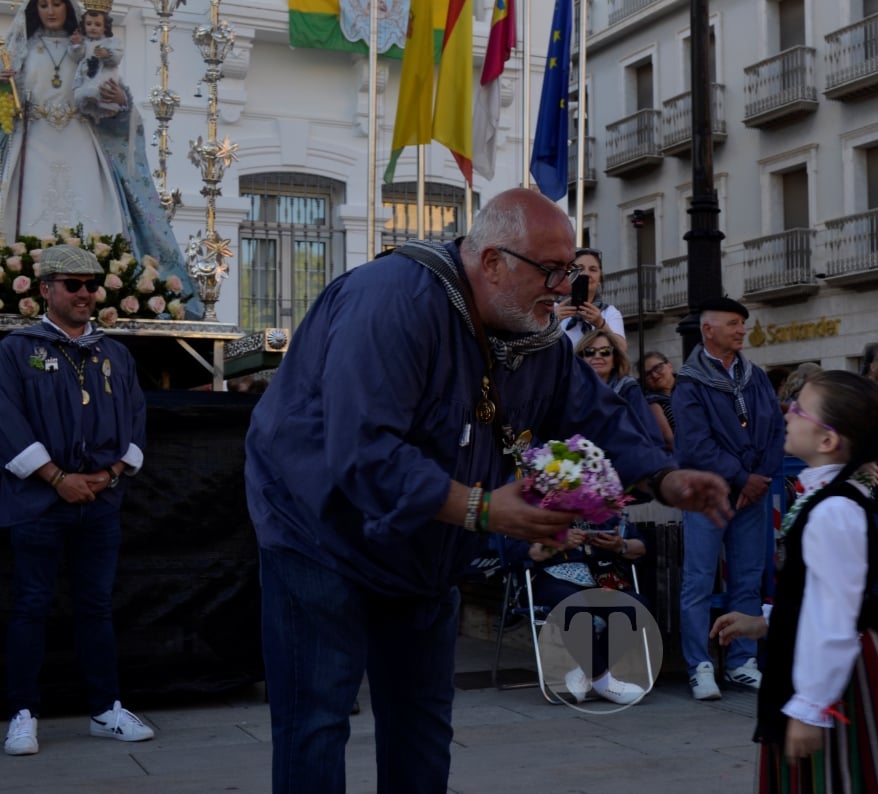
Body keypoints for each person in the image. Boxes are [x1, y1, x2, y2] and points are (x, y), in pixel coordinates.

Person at [243, 188, 731, 794]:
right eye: (552, 272)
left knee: (422, 724)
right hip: (319, 531)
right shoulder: (390, 302)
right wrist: (480, 508)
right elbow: (364, 452)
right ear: (494, 262)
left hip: (424, 547)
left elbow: (595, 416)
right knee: (316, 720)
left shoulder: (534, 336)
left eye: (572, 274)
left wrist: (665, 476)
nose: (565, 290)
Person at [710, 370, 878, 793]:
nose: (787, 414)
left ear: (828, 441)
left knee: (842, 778)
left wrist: (811, 708)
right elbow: (816, 595)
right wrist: (766, 620)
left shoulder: (834, 510)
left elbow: (834, 618)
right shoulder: (824, 498)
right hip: (830, 662)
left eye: (799, 409)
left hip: (839, 674)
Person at [0, 245, 154, 756]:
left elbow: (135, 421)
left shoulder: (115, 354)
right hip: (36, 504)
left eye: (92, 284)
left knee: (96, 607)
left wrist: (108, 473)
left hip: (100, 502)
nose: (86, 293)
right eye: (73, 284)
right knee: (29, 606)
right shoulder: (17, 351)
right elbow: (7, 421)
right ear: (45, 290)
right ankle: (22, 714)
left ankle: (106, 709)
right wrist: (56, 476)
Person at [0, 0, 200, 315]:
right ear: (33, 10)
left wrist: (120, 101)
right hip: (33, 145)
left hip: (81, 144)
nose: (51, 12)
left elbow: (111, 100)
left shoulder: (90, 47)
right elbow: (6, 111)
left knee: (90, 210)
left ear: (69, 8)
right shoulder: (22, 50)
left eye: (56, 4)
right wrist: (4, 87)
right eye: (43, 5)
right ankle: (23, 279)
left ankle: (99, 283)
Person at [673, 297, 785, 700]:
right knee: (699, 580)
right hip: (707, 496)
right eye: (734, 323)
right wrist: (743, 478)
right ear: (708, 330)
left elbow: (775, 430)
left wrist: (761, 478)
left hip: (751, 497)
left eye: (743, 323)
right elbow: (695, 447)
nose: (741, 330)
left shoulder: (754, 376)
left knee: (748, 579)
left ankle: (742, 662)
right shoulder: (688, 383)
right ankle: (699, 665)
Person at [508, 520, 651, 705]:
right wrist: (560, 542)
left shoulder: (599, 506)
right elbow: (530, 553)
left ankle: (584, 673)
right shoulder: (536, 506)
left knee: (636, 605)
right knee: (574, 603)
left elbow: (640, 547)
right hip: (547, 579)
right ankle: (603, 681)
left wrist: (620, 545)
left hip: (598, 578)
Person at [576, 328, 663, 450]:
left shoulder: (629, 390)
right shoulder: (572, 392)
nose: (597, 356)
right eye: (590, 351)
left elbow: (651, 436)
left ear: (615, 359)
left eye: (605, 351)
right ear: (581, 358)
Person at [554, 246, 625, 348]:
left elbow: (622, 349)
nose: (586, 274)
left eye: (593, 269)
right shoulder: (553, 308)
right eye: (580, 268)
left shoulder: (609, 313)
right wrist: (553, 321)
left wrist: (601, 324)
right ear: (570, 275)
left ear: (600, 279)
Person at [72, 1, 122, 123]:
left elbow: (118, 57)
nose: (93, 27)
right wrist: (77, 44)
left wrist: (108, 54)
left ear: (105, 27)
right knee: (83, 93)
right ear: (84, 26)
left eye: (97, 24)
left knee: (101, 89)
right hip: (86, 73)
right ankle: (88, 104)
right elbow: (76, 57)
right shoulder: (85, 43)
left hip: (103, 73)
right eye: (89, 24)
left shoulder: (111, 42)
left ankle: (104, 106)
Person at [639, 350, 676, 453]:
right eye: (648, 374)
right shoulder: (652, 403)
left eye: (658, 368)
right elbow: (669, 441)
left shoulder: (689, 388)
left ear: (669, 365)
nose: (655, 375)